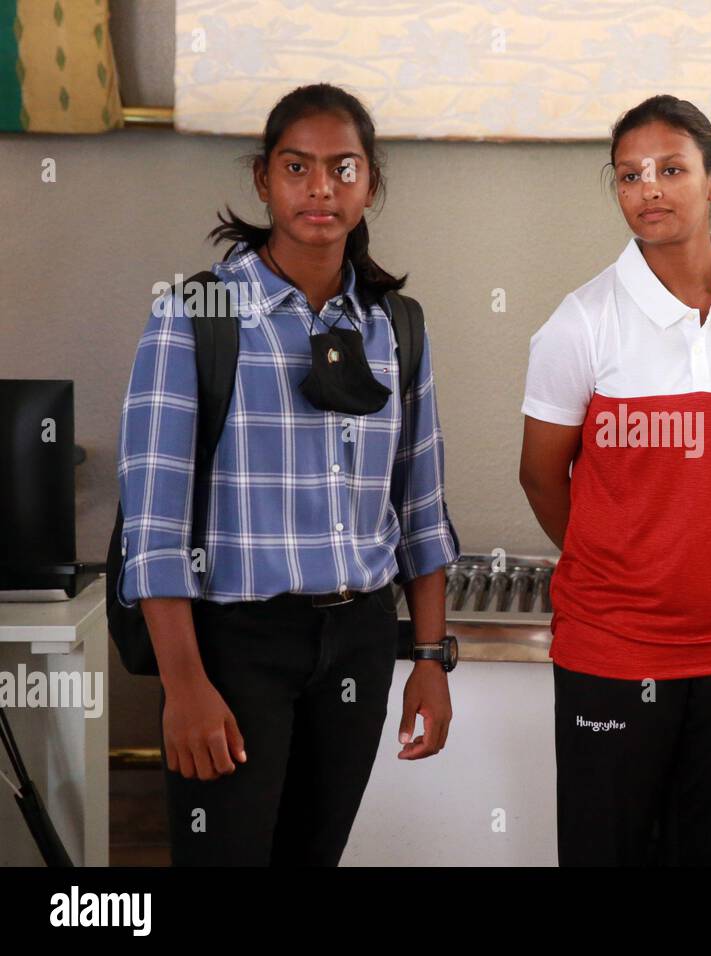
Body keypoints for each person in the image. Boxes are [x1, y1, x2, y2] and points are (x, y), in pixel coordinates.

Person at [116, 83, 460, 866]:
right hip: (235, 647)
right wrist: (184, 686)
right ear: (264, 180)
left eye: (343, 168)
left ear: (370, 182)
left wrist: (431, 662)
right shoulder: (193, 316)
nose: (321, 188)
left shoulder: (398, 327)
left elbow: (423, 509)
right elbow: (154, 528)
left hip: (360, 640)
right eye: (297, 166)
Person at [519, 94, 711, 866]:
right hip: (613, 645)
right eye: (629, 175)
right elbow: (542, 477)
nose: (648, 188)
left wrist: (707, 531)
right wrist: (624, 554)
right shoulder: (580, 322)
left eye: (671, 169)